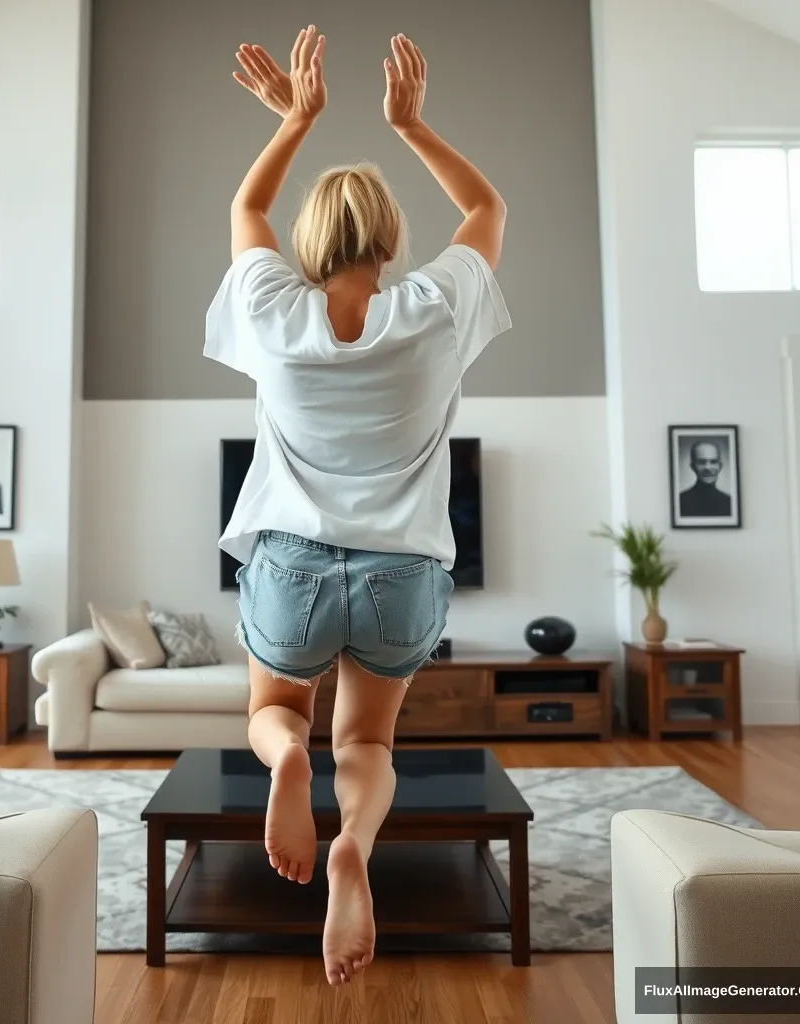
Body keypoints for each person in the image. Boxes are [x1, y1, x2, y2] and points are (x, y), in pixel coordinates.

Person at [204, 26, 510, 986]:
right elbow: (486, 205)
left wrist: (297, 117)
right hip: (402, 571)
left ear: (309, 241)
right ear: (387, 236)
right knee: (370, 740)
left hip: (291, 564)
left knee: (273, 713)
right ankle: (354, 850)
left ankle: (286, 764)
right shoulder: (434, 308)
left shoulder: (272, 310)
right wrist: (410, 124)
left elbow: (247, 203)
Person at [678, 440, 731, 517]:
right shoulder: (680, 501)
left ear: (720, 466)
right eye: (701, 462)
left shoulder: (729, 502)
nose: (707, 468)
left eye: (713, 462)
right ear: (692, 466)